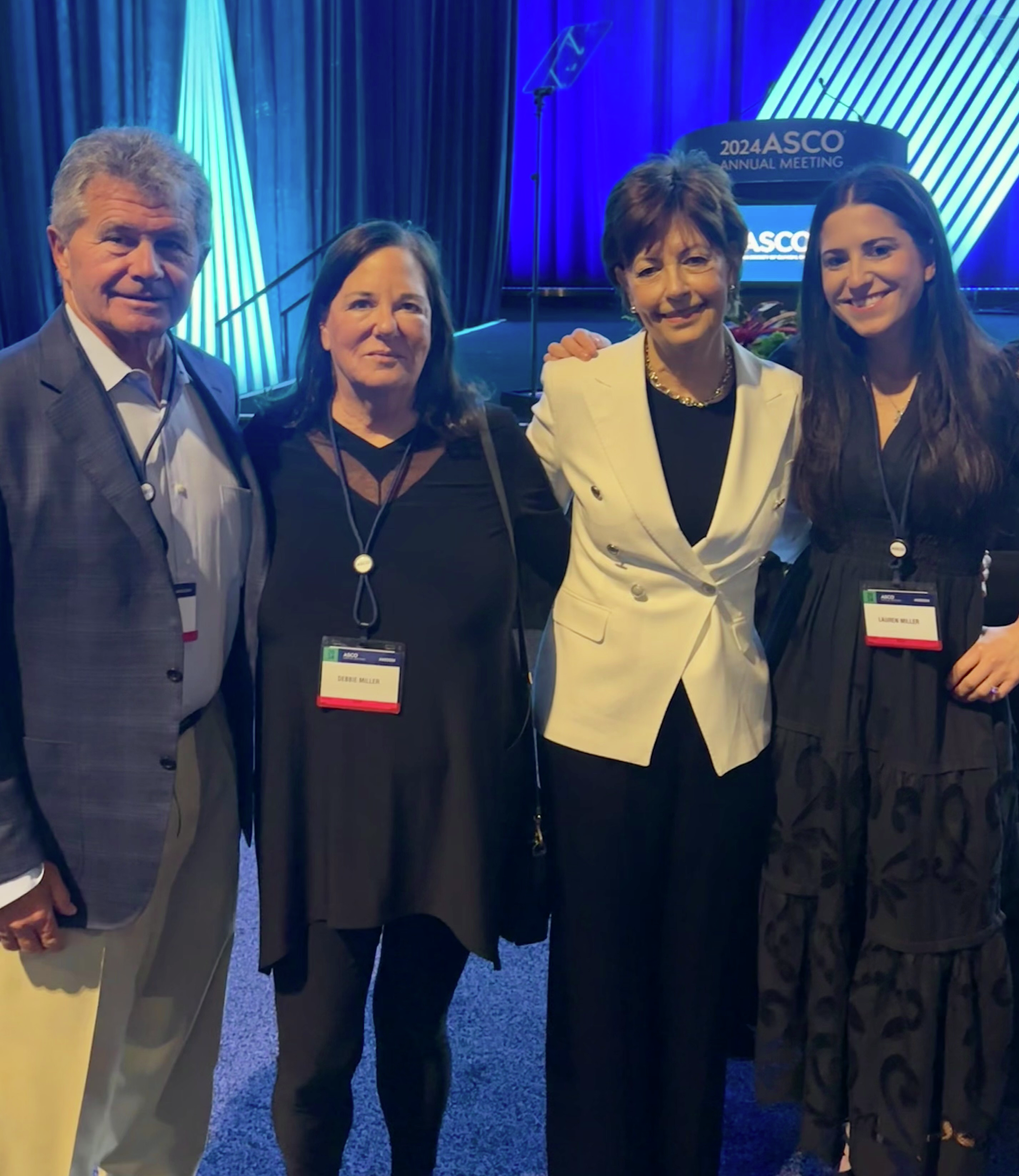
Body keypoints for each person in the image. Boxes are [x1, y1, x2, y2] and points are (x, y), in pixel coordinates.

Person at [755, 166, 1019, 1176]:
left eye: (879, 249)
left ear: (928, 256)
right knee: (833, 890)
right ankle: (849, 1128)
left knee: (935, 902)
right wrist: (597, 360)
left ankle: (925, 1125)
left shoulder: (1002, 380)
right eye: (835, 257)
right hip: (821, 671)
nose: (856, 274)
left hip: (944, 688)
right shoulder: (802, 378)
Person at [245, 220, 569, 1176]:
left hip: (450, 806)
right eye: (362, 301)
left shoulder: (492, 448)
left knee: (414, 1035)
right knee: (315, 1059)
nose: (386, 324)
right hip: (317, 807)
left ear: (438, 327)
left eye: (409, 305)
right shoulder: (264, 450)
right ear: (322, 324)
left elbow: (591, 580)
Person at [529, 150, 803, 1176]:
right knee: (597, 977)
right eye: (649, 267)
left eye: (695, 258)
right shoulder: (577, 388)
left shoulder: (787, 401)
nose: (676, 286)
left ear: (733, 260)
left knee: (698, 977)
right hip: (601, 721)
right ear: (623, 282)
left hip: (725, 726)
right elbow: (516, 522)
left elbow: (810, 535)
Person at [0, 126, 265, 1176]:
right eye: (120, 238)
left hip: (205, 768)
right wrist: (7, 856)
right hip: (64, 817)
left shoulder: (215, 386)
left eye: (174, 244)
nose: (149, 266)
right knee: (50, 1100)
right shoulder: (8, 405)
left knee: (169, 1069)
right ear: (59, 246)